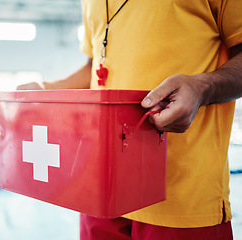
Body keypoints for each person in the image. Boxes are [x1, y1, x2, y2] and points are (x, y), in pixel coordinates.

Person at [18, 0, 242, 239]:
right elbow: (96, 67)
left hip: (180, 197)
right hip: (99, 189)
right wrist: (45, 90)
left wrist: (202, 88)